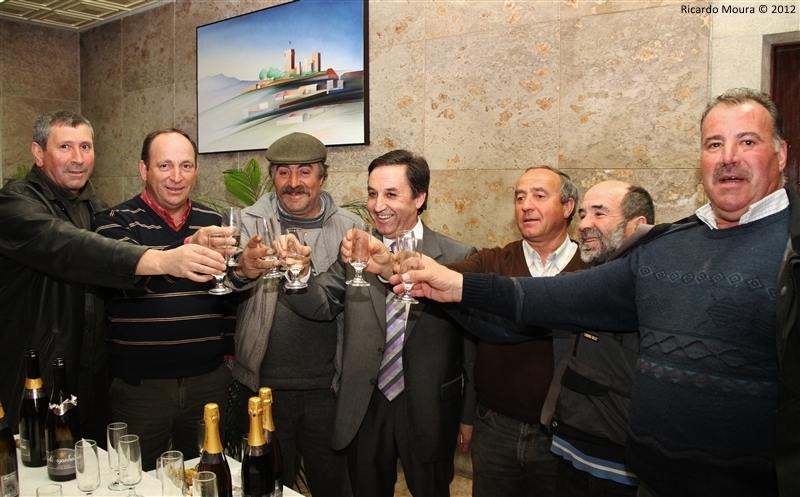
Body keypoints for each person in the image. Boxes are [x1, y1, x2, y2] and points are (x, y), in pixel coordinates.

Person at [395, 88, 789, 497]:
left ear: (780, 154)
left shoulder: (791, 249)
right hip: (651, 477)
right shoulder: (670, 246)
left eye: (747, 141)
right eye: (714, 144)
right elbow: (554, 298)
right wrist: (456, 284)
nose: (728, 157)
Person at [0, 112, 226, 443]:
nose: (78, 158)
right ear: (38, 153)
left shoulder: (93, 206)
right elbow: (70, 247)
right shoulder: (14, 203)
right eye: (65, 147)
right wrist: (166, 259)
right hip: (36, 371)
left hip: (87, 375)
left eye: (85, 147)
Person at [278, 149, 476, 497]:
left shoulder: (457, 257)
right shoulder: (356, 250)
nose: (377, 205)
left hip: (429, 407)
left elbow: (472, 348)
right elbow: (321, 304)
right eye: (372, 193)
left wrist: (469, 413)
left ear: (419, 197)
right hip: (365, 405)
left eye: (391, 194)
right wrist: (299, 273)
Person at [92, 128, 236, 470]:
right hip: (141, 389)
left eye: (186, 166)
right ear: (144, 169)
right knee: (135, 480)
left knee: (208, 476)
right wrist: (185, 248)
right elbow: (126, 278)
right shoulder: (112, 222)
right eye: (165, 165)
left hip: (207, 383)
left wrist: (228, 358)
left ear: (196, 170)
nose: (176, 177)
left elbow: (227, 293)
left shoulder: (211, 221)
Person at [445, 166, 587, 497]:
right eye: (519, 197)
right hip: (495, 429)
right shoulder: (491, 262)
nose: (526, 205)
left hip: (564, 435)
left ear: (568, 206)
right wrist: (395, 264)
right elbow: (444, 278)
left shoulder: (592, 269)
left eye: (539, 195)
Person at [230, 132, 357, 495]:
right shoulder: (249, 222)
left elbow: (353, 299)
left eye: (305, 171)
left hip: (328, 388)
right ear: (273, 177)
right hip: (265, 387)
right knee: (269, 486)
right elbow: (226, 282)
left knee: (332, 486)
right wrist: (242, 268)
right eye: (283, 172)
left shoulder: (351, 226)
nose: (293, 182)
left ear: (322, 176)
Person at [549, 181, 653, 497]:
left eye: (599, 213)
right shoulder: (584, 282)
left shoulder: (655, 289)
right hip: (570, 451)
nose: (583, 224)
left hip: (623, 469)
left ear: (638, 225)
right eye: (582, 214)